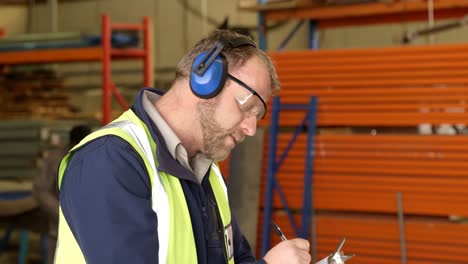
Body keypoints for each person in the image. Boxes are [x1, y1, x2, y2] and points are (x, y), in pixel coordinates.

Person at [54, 30, 311, 264]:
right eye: (246, 108)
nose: (251, 129)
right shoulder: (109, 162)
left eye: (258, 116)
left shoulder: (207, 175)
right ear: (204, 79)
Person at [33, 124, 91, 264]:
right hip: (61, 227)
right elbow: (41, 191)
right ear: (71, 143)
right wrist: (62, 212)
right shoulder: (55, 160)